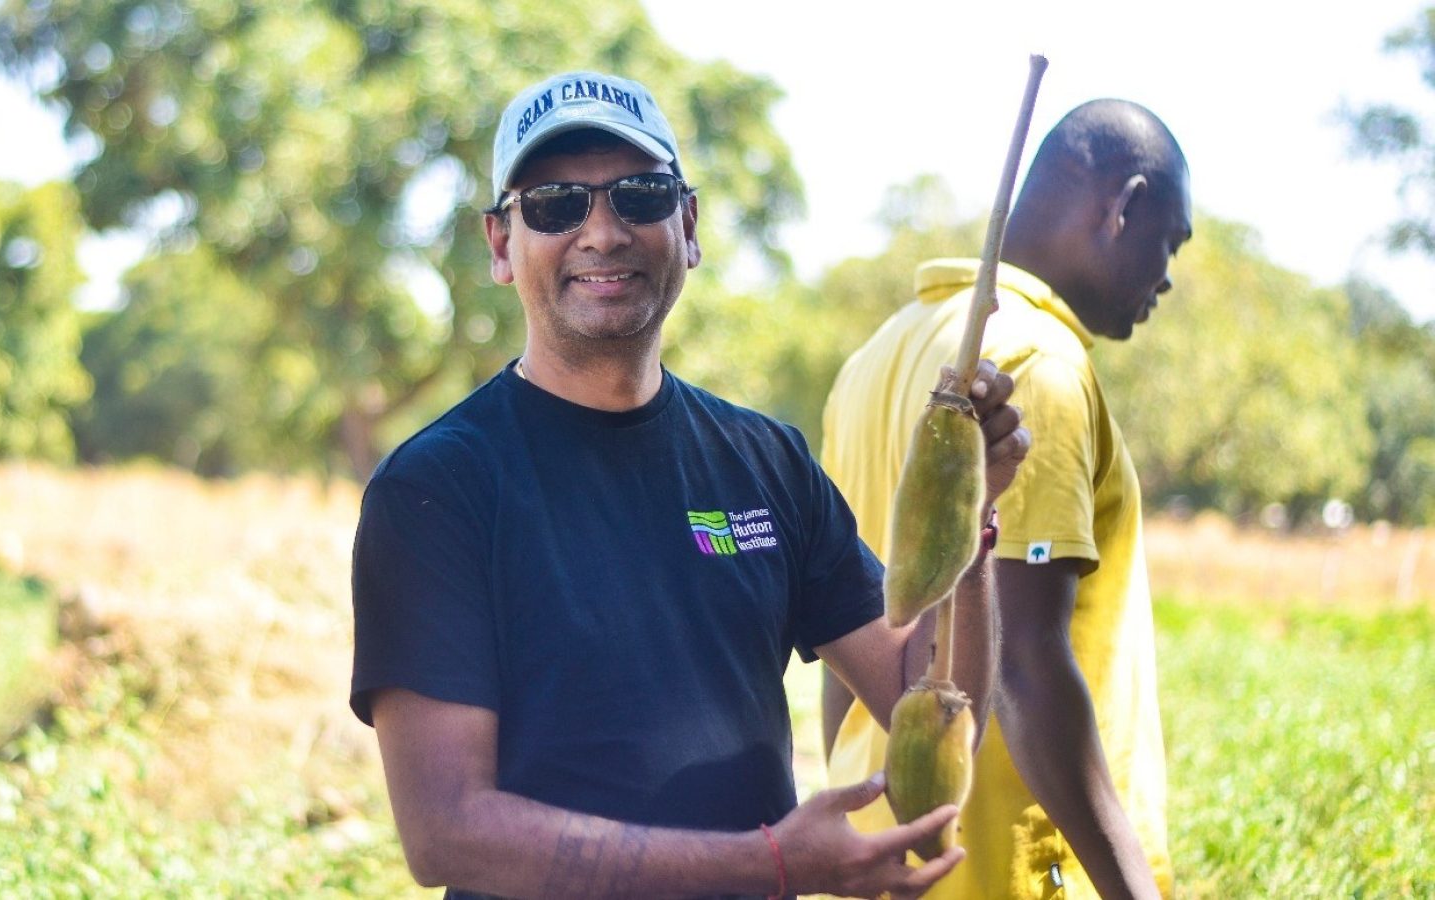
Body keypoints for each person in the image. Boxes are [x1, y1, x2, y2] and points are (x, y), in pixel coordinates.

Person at [349, 69, 1030, 899]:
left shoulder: (767, 461)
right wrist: (773, 864)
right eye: (557, 204)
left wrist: (973, 509)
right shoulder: (435, 489)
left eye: (639, 195)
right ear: (501, 244)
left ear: (689, 224)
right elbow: (448, 832)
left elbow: (923, 695)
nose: (602, 232)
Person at [820, 99, 1192, 899]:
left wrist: (854, 818)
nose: (1167, 275)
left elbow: (838, 636)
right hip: (997, 870)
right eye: (1171, 241)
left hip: (876, 856)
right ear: (1122, 207)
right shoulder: (1039, 366)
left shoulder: (873, 358)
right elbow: (1025, 666)